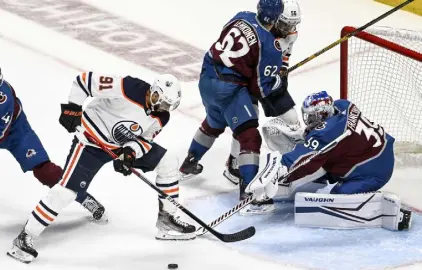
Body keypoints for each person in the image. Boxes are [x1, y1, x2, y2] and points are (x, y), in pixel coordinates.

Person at [7, 72, 196, 264]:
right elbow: (84, 82)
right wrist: (73, 108)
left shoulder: (162, 116)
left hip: (120, 147)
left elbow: (144, 139)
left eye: (167, 105)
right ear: (153, 91)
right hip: (90, 143)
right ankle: (25, 237)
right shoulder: (129, 87)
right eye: (161, 101)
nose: (162, 107)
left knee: (169, 161)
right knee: (66, 192)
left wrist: (130, 153)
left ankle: (167, 219)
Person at [179, 0, 290, 213]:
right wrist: (277, 80)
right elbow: (260, 90)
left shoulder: (241, 15)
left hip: (206, 77)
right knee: (249, 136)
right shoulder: (271, 46)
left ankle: (190, 162)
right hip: (228, 89)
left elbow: (227, 42)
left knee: (214, 122)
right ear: (276, 18)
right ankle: (249, 193)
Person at [242, 91, 411, 230]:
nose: (308, 121)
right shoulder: (343, 105)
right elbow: (330, 134)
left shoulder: (326, 133)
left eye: (310, 117)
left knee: (336, 198)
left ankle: (380, 212)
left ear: (320, 115)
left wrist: (280, 172)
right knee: (324, 166)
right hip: (374, 151)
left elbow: (305, 160)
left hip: (373, 172)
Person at [0, 68, 105, 221]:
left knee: (46, 172)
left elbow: (1, 132)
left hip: (17, 133)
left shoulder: (3, 98)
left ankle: (85, 198)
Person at [223, 0, 303, 186]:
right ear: (275, 19)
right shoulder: (259, 30)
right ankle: (234, 161)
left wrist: (281, 72)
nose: (288, 28)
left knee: (291, 119)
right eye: (284, 24)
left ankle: (293, 165)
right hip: (248, 79)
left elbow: (284, 59)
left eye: (292, 24)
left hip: (268, 78)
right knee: (247, 122)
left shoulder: (290, 34)